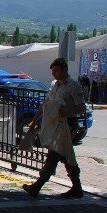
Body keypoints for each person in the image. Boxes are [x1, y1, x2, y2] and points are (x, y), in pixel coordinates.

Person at [22, 57, 87, 199]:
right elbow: (47, 103)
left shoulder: (73, 86)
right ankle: (77, 188)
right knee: (66, 156)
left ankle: (37, 186)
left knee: (54, 154)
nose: (54, 74)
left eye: (56, 71)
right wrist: (35, 119)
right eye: (52, 71)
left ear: (64, 69)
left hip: (68, 123)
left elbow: (82, 107)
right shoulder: (54, 84)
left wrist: (67, 112)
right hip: (55, 124)